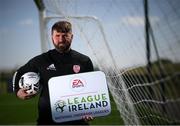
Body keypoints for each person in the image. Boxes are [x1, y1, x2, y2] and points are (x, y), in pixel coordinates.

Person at [13, 21, 94, 125]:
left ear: (72, 37)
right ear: (52, 37)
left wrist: (91, 110)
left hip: (77, 120)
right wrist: (17, 92)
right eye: (57, 35)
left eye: (65, 35)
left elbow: (91, 90)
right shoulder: (41, 60)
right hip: (48, 120)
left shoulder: (84, 61)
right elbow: (19, 72)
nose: (61, 39)